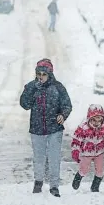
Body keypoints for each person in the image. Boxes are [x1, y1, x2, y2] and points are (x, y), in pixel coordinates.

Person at [20, 58, 73, 197]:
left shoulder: (58, 87)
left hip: (55, 128)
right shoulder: (31, 87)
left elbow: (67, 104)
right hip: (37, 129)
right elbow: (24, 104)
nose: (41, 77)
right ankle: (38, 182)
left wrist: (63, 114)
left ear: (50, 74)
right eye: (39, 74)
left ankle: (54, 186)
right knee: (39, 157)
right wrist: (31, 88)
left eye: (44, 74)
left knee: (54, 157)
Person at [71, 104, 104, 192]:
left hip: (99, 152)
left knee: (100, 170)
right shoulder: (83, 128)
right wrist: (75, 151)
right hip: (86, 153)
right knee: (84, 170)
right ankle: (78, 177)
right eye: (93, 120)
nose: (96, 123)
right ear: (89, 118)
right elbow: (76, 140)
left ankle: (95, 186)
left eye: (99, 120)